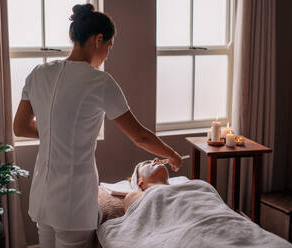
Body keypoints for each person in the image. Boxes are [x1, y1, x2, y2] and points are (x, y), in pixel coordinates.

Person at [13, 3, 182, 248]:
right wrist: (172, 154)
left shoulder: (38, 73)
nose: (108, 54)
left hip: (42, 198)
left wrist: (55, 132)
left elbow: (20, 127)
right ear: (98, 39)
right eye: (109, 47)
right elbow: (139, 136)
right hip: (73, 202)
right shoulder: (99, 82)